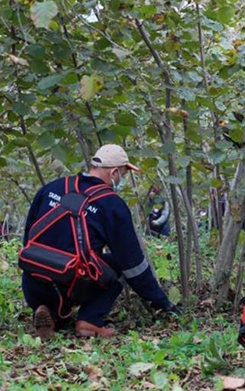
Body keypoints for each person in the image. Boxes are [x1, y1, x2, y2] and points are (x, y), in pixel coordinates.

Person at [21, 144, 178, 339]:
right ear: (114, 172)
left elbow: (27, 239)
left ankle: (48, 311)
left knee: (60, 307)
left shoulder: (51, 188)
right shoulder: (112, 205)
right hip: (70, 282)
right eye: (123, 173)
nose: (123, 179)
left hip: (33, 281)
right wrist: (163, 303)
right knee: (120, 265)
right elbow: (133, 264)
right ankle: (89, 320)